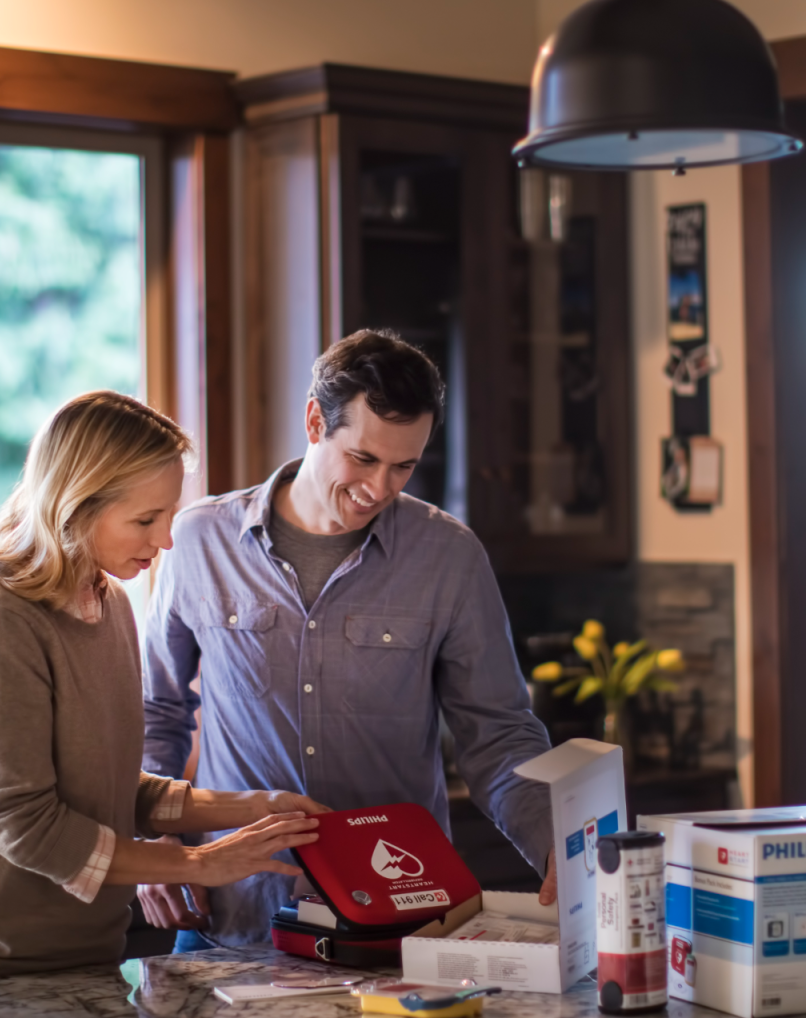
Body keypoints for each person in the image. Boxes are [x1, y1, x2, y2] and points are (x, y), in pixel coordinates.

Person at [140, 330, 557, 950]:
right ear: (315, 421)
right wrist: (156, 843)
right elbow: (158, 710)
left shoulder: (449, 556)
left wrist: (556, 844)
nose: (381, 488)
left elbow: (497, 732)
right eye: (362, 459)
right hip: (234, 916)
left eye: (404, 466)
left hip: (399, 919)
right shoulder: (200, 542)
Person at [0, 390, 326, 982]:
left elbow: (110, 791)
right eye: (145, 519)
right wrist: (199, 863)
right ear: (76, 505)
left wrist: (260, 807)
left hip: (93, 959)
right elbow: (25, 826)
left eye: (166, 516)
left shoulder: (107, 604)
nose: (165, 542)